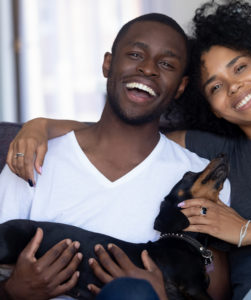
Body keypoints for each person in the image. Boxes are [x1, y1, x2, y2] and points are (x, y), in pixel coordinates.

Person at [6, 1, 251, 299]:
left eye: (239, 68)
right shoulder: (213, 158)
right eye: (216, 87)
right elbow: (129, 125)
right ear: (204, 101)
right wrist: (42, 126)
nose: (233, 87)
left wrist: (246, 231)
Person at [0, 13, 231, 300]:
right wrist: (11, 292)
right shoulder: (32, 156)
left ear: (181, 87)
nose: (148, 69)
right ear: (108, 64)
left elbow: (215, 292)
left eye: (166, 64)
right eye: (135, 54)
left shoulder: (199, 180)